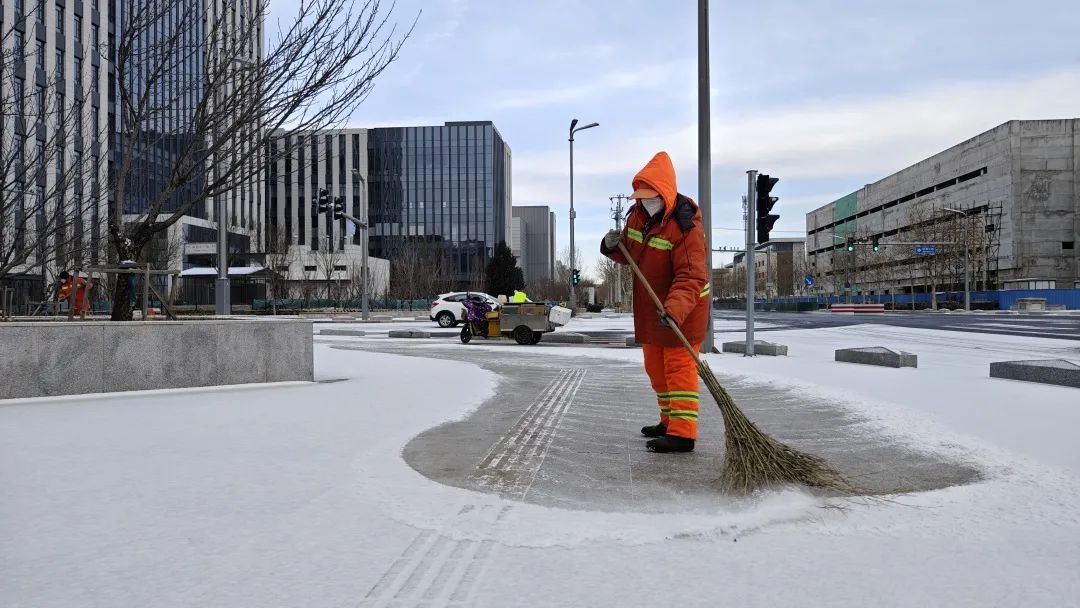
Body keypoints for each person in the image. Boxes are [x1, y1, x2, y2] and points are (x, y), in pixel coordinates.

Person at [600, 151, 710, 453]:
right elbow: (630, 255)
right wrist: (612, 247)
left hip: (683, 310)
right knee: (655, 369)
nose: (646, 202)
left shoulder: (685, 226)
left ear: (665, 193)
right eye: (642, 196)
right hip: (653, 308)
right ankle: (668, 421)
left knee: (679, 370)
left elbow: (691, 277)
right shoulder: (638, 217)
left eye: (652, 196)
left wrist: (675, 310)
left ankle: (683, 433)